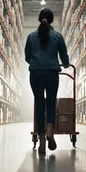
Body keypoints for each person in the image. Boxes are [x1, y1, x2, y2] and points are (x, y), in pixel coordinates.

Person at [24, 8, 70, 154]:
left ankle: (42, 138)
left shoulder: (31, 37)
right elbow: (64, 57)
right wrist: (66, 64)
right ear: (51, 20)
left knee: (39, 103)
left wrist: (36, 61)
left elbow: (27, 57)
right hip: (51, 74)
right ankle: (50, 129)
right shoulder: (58, 36)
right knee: (51, 102)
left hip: (36, 74)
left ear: (39, 19)